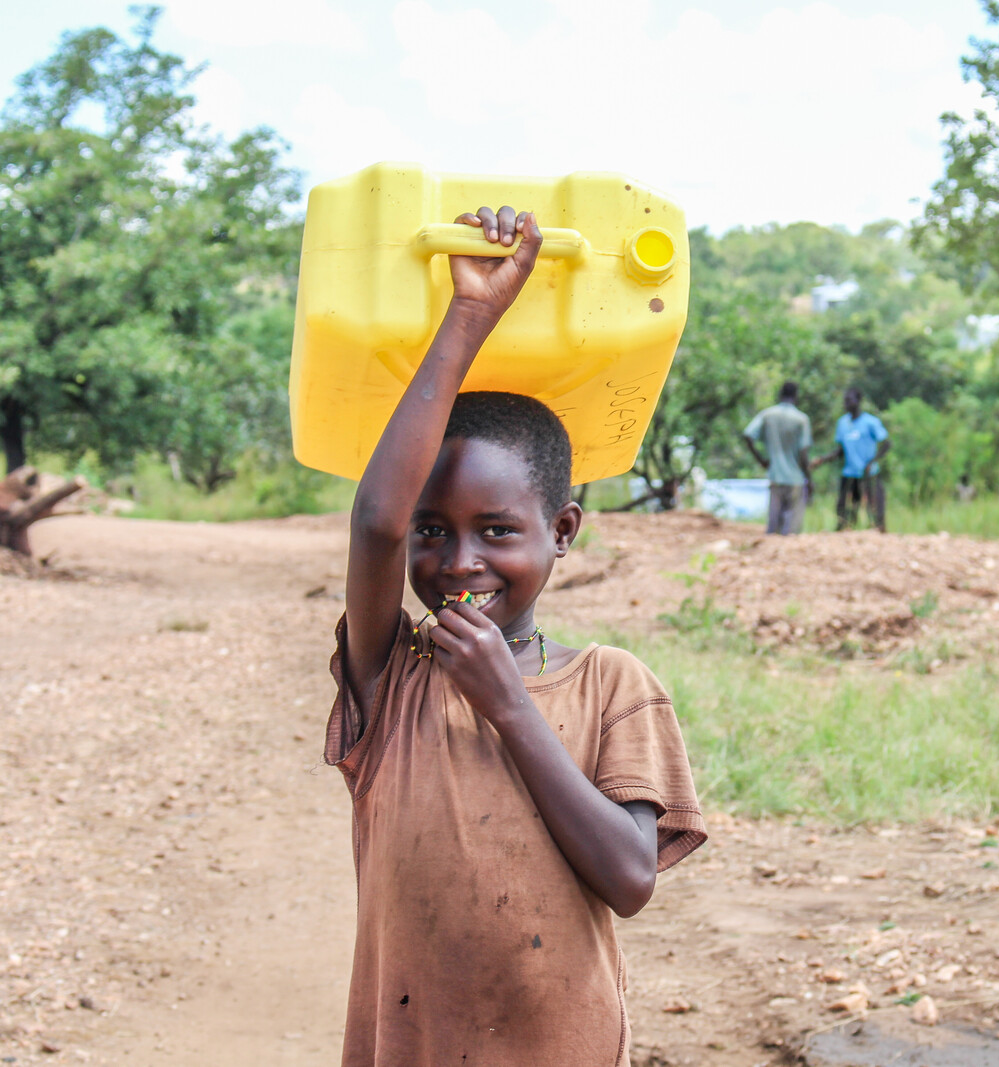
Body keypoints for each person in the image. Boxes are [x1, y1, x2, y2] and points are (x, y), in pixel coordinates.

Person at [326, 206, 706, 1067]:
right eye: (434, 531)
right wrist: (469, 315)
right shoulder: (392, 675)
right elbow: (375, 524)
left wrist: (509, 707)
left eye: (498, 531)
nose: (461, 561)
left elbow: (630, 877)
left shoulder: (613, 683)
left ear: (562, 529)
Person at [815, 386, 890, 532]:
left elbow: (886, 444)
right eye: (845, 401)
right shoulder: (842, 423)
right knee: (845, 505)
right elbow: (841, 450)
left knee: (874, 505)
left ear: (858, 401)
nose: (846, 404)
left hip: (869, 472)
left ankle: (879, 529)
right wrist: (822, 459)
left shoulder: (870, 422)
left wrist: (872, 461)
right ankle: (844, 529)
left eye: (849, 401)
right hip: (850, 472)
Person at [742, 381, 813, 535]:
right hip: (796, 479)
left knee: (773, 528)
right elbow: (803, 453)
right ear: (795, 396)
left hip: (775, 475)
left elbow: (748, 435)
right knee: (791, 530)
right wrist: (809, 479)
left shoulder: (768, 414)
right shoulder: (801, 419)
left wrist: (761, 460)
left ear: (780, 395)